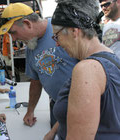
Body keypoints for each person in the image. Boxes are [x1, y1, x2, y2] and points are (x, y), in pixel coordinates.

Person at [44, 0, 120, 139]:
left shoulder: (87, 70)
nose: (57, 43)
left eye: (57, 35)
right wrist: (54, 131)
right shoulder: (110, 57)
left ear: (74, 31)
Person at [0, 3, 78, 128]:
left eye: (13, 32)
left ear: (27, 23)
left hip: (81, 105)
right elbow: (35, 81)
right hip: (57, 104)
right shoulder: (31, 47)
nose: (13, 38)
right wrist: (30, 110)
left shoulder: (62, 28)